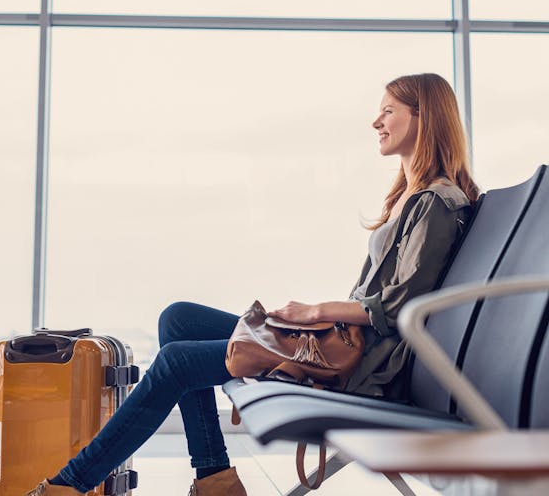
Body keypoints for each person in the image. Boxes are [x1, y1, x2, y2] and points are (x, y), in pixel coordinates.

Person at [24, 72, 478, 496]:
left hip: (361, 365)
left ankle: (70, 484)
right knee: (179, 319)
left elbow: (402, 309)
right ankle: (215, 477)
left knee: (175, 361)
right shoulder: (411, 197)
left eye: (389, 110)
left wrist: (316, 312)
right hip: (340, 344)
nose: (376, 121)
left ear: (425, 117)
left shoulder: (437, 203)